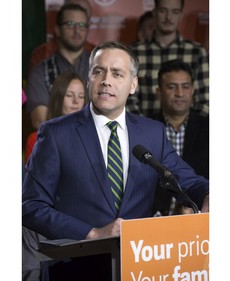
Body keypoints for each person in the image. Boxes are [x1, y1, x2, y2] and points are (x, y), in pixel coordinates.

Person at [22, 41, 209, 280]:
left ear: (133, 84)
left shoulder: (152, 133)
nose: (106, 80)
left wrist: (207, 194)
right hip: (73, 268)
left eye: (117, 73)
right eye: (98, 71)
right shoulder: (56, 133)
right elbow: (31, 206)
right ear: (89, 78)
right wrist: (91, 233)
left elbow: (187, 181)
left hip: (141, 268)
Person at [128, 0, 209, 118]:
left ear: (181, 15)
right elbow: (128, 99)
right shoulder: (135, 52)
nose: (168, 17)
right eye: (163, 11)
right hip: (143, 131)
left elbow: (205, 100)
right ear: (154, 12)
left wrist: (190, 130)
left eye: (175, 12)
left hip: (188, 132)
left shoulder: (196, 52)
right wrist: (144, 128)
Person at [151, 59, 209, 216]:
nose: (180, 93)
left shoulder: (210, 128)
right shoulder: (145, 129)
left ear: (193, 91)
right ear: (159, 92)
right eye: (171, 87)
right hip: (151, 223)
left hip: (199, 223)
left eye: (185, 86)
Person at [26, 3, 92, 130]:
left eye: (82, 25)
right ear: (57, 30)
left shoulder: (99, 68)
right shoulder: (41, 70)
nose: (77, 30)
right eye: (70, 24)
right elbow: (40, 121)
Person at [25, 72, 87, 163]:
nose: (76, 101)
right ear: (57, 99)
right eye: (69, 95)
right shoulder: (36, 140)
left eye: (81, 96)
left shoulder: (93, 137)